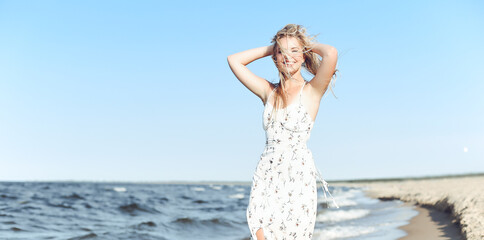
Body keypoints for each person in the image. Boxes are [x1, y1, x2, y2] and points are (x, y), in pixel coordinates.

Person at [227, 24, 339, 240]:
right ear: (274, 57)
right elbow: (234, 60)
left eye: (294, 51)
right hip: (267, 172)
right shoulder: (268, 91)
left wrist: (304, 45)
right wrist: (272, 49)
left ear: (305, 55)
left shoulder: (312, 91)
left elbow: (331, 53)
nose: (288, 57)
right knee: (259, 231)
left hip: (298, 175)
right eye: (281, 52)